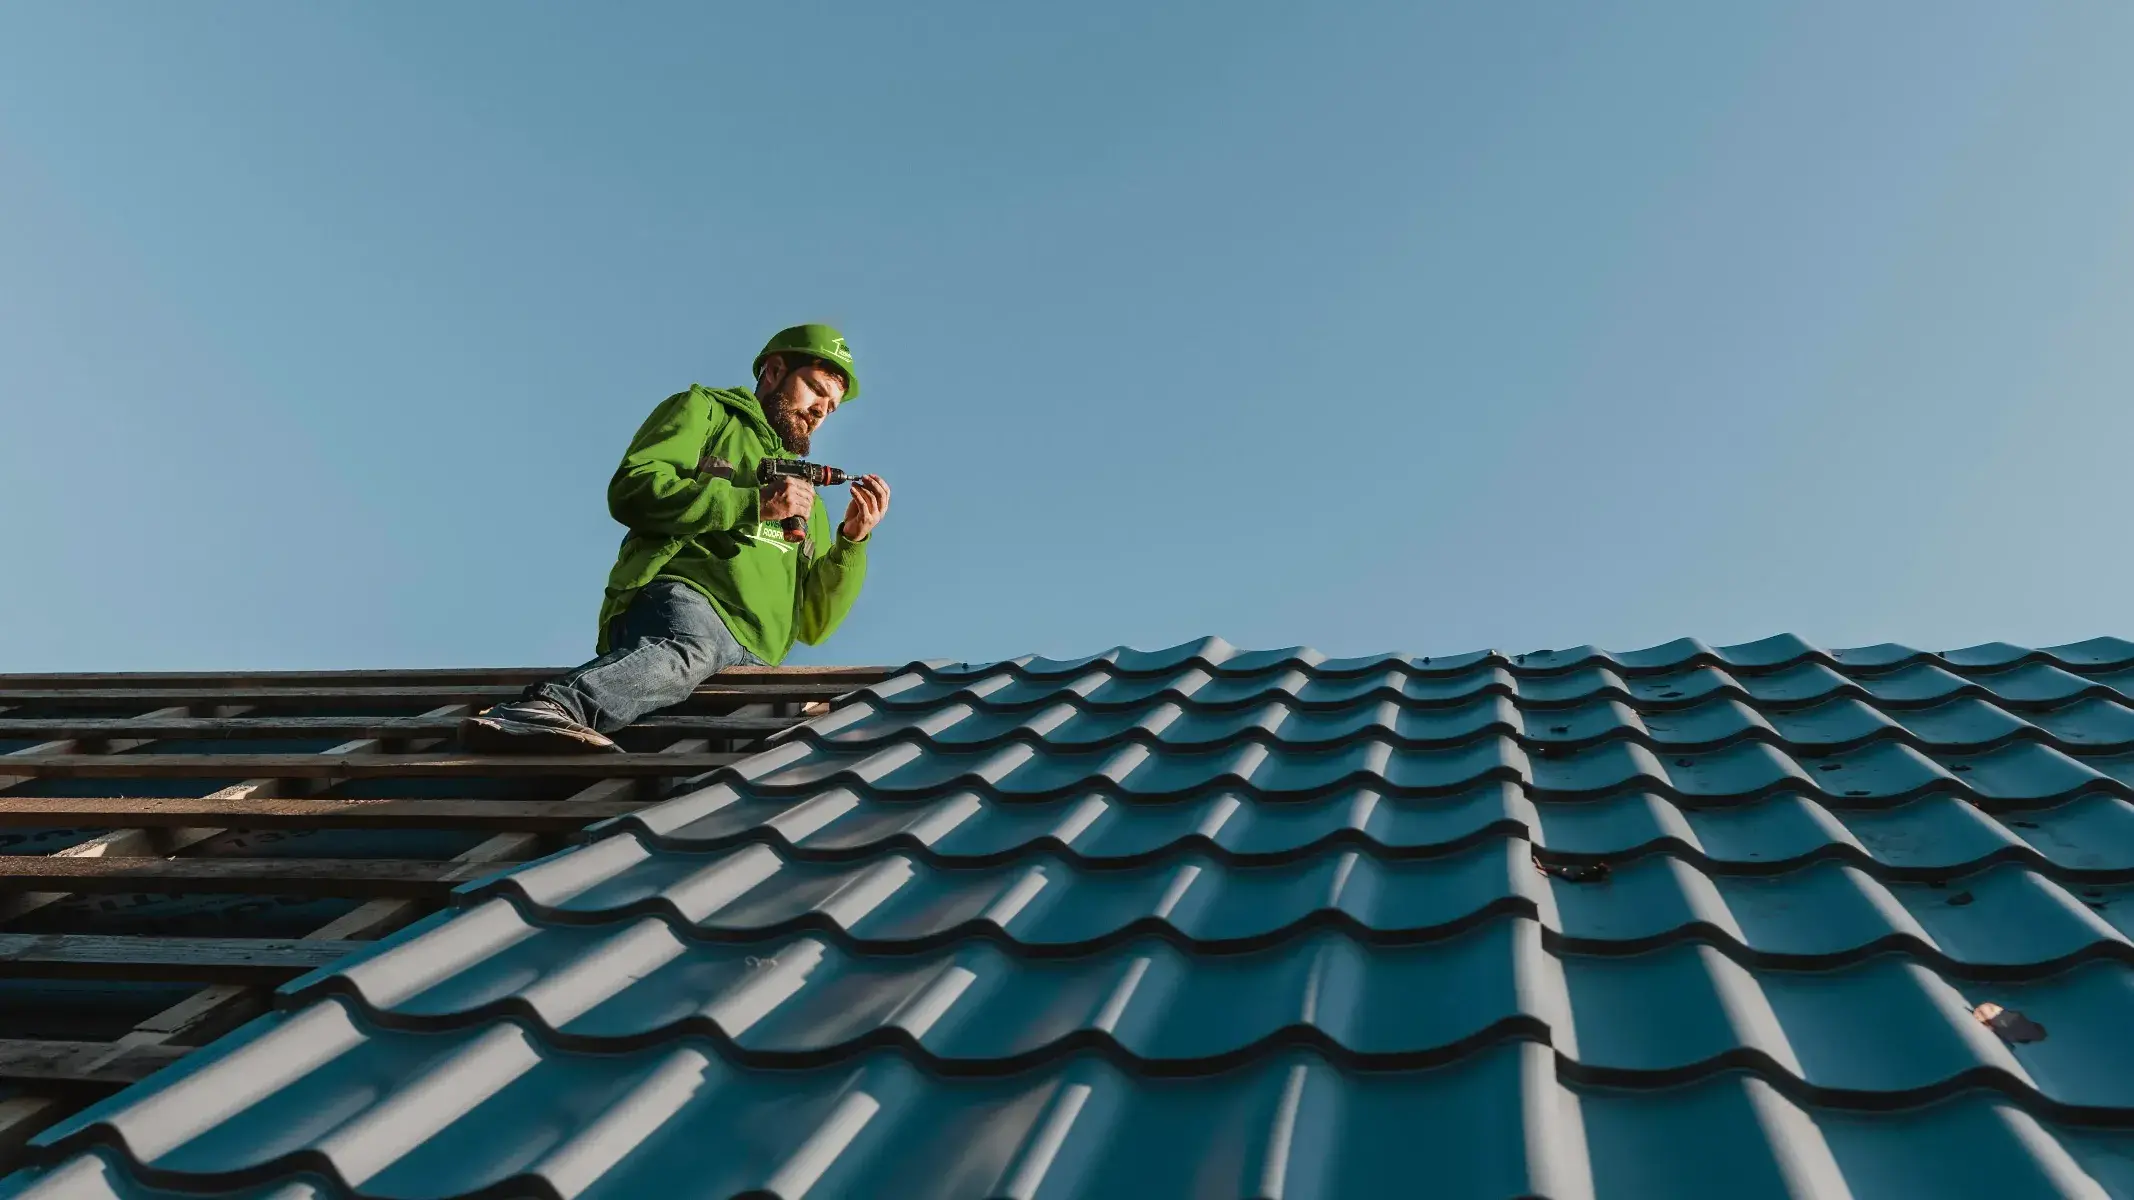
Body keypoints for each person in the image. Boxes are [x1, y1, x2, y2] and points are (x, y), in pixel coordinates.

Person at [460, 323, 890, 753]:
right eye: (815, 390)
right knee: (690, 648)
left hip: (758, 657)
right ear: (774, 371)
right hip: (686, 603)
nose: (820, 410)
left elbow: (814, 623)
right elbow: (633, 490)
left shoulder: (808, 504)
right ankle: (550, 708)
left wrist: (852, 543)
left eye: (831, 407)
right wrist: (751, 504)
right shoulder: (705, 412)